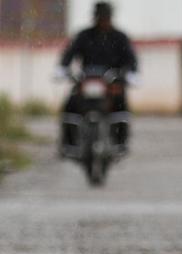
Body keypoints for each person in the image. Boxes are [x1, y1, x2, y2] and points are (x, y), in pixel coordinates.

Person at [57, 2, 138, 155]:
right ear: (95, 17)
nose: (103, 21)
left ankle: (120, 143)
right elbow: (70, 53)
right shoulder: (84, 36)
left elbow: (130, 58)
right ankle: (69, 143)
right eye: (100, 17)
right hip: (87, 81)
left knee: (120, 105)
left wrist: (131, 73)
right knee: (70, 106)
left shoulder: (119, 37)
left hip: (112, 83)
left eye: (106, 17)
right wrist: (62, 68)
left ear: (110, 17)